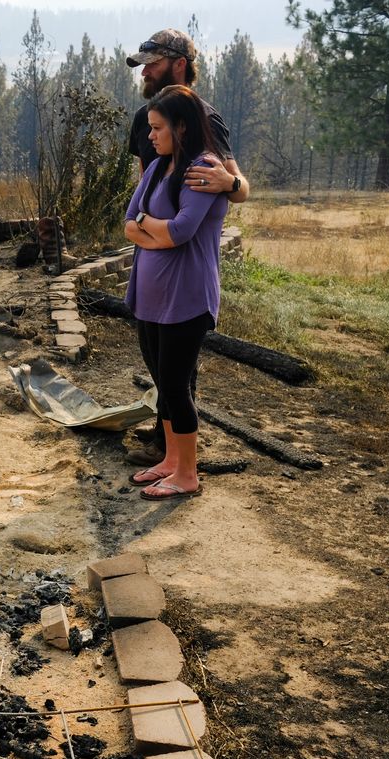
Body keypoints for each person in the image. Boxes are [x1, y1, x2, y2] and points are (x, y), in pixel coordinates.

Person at [124, 29, 249, 467]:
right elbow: (147, 183)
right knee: (159, 364)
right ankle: (165, 443)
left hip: (185, 268)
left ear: (179, 63)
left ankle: (177, 454)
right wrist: (146, 225)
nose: (145, 71)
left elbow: (233, 187)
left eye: (153, 62)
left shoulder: (203, 121)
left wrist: (231, 183)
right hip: (150, 266)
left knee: (178, 374)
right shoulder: (145, 119)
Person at [123, 84, 228, 500]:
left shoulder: (201, 170)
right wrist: (154, 232)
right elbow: (130, 223)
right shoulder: (157, 169)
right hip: (151, 296)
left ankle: (188, 474)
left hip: (186, 296)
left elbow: (183, 231)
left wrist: (150, 229)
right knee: (163, 383)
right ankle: (169, 461)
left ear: (181, 128)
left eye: (157, 128)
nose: (149, 136)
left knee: (177, 384)